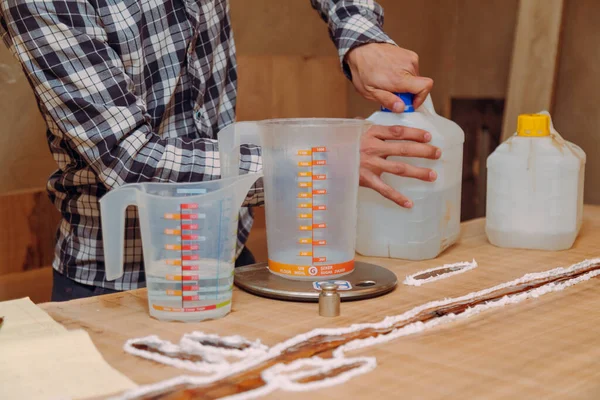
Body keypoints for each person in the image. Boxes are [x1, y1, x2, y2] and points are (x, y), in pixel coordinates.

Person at [0, 0, 440, 301]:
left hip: (229, 258)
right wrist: (315, 160)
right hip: (120, 285)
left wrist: (360, 34)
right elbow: (128, 159)